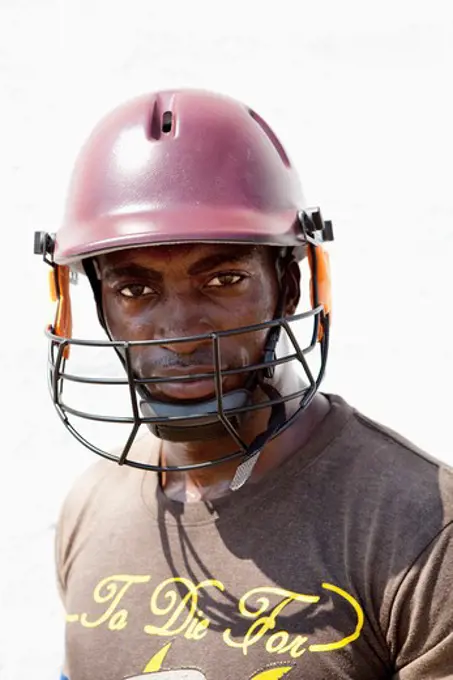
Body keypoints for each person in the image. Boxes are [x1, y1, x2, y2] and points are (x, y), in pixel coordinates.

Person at [34, 89, 453, 680]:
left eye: (223, 278)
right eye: (135, 290)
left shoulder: (420, 529)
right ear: (97, 305)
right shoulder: (90, 507)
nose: (179, 335)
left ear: (287, 287)